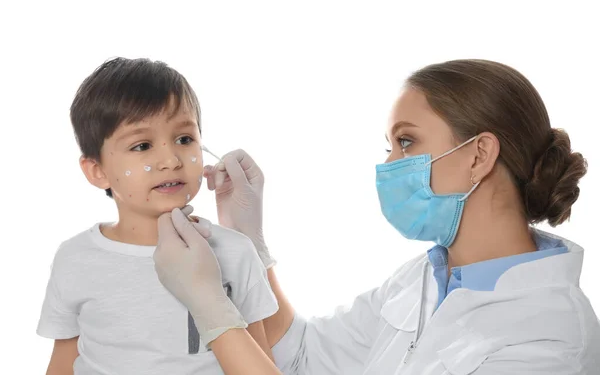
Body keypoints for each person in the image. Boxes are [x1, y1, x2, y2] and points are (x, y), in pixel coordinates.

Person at [154, 59, 600, 374]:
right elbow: (303, 357)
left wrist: (213, 311)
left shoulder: (548, 336)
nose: (389, 165)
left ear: (478, 154)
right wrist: (247, 242)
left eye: (406, 143)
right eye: (389, 146)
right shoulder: (422, 280)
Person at [36, 57, 279, 374]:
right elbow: (62, 364)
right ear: (97, 171)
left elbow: (261, 362)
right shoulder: (76, 259)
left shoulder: (235, 253)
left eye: (184, 139)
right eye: (142, 146)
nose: (170, 160)